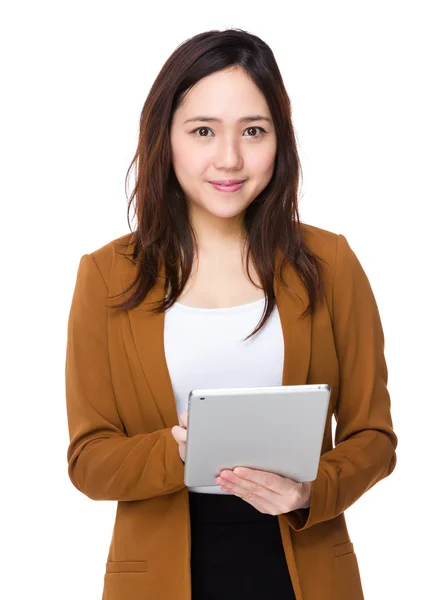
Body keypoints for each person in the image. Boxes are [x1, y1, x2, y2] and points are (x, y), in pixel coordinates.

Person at [65, 28, 398, 600]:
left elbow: (374, 437)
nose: (230, 158)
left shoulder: (331, 262)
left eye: (253, 131)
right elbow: (88, 461)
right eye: (202, 131)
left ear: (281, 141)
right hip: (162, 574)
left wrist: (306, 494)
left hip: (306, 567)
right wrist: (180, 449)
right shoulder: (107, 275)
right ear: (164, 139)